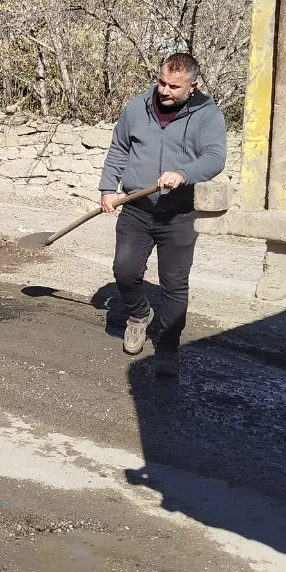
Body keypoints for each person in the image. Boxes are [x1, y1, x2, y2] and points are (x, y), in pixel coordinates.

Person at [98, 53, 227, 377]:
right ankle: (140, 314)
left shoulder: (206, 114)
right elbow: (119, 149)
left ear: (192, 86)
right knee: (124, 271)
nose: (165, 90)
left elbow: (214, 157)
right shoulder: (137, 107)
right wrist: (107, 189)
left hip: (179, 215)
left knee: (174, 285)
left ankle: (168, 347)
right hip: (136, 210)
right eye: (161, 82)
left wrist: (184, 172)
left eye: (174, 86)